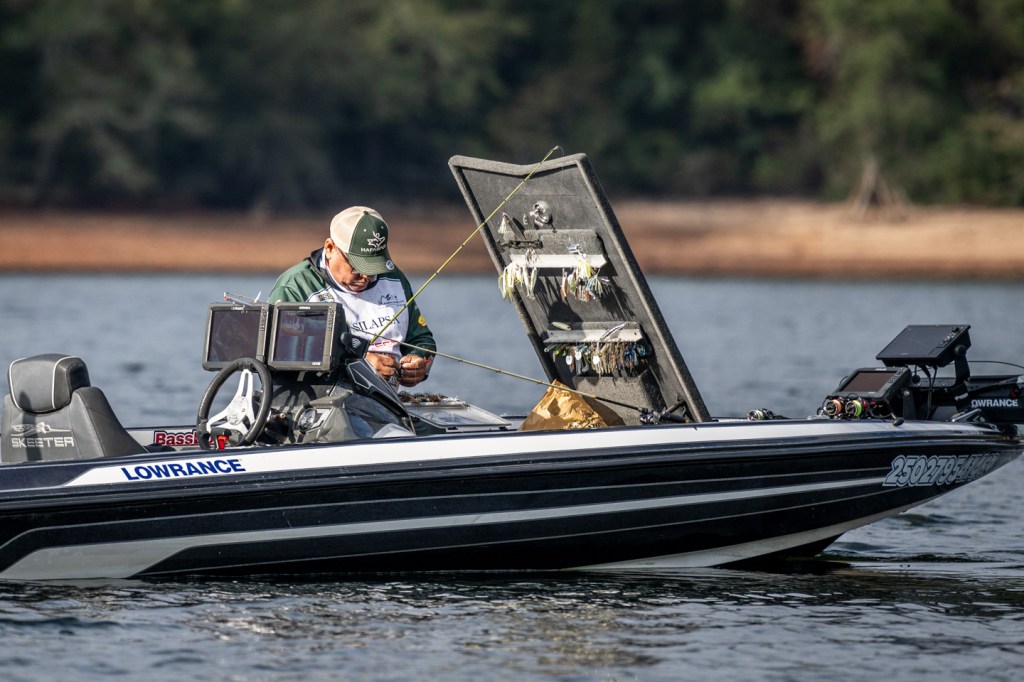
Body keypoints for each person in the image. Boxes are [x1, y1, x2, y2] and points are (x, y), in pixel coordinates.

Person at [269, 206, 435, 387]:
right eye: (357, 266)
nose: (366, 276)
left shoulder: (394, 278)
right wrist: (357, 363)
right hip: (318, 399)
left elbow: (421, 340)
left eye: (374, 266)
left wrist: (419, 362)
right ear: (330, 248)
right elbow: (281, 356)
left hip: (384, 399)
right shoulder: (295, 287)